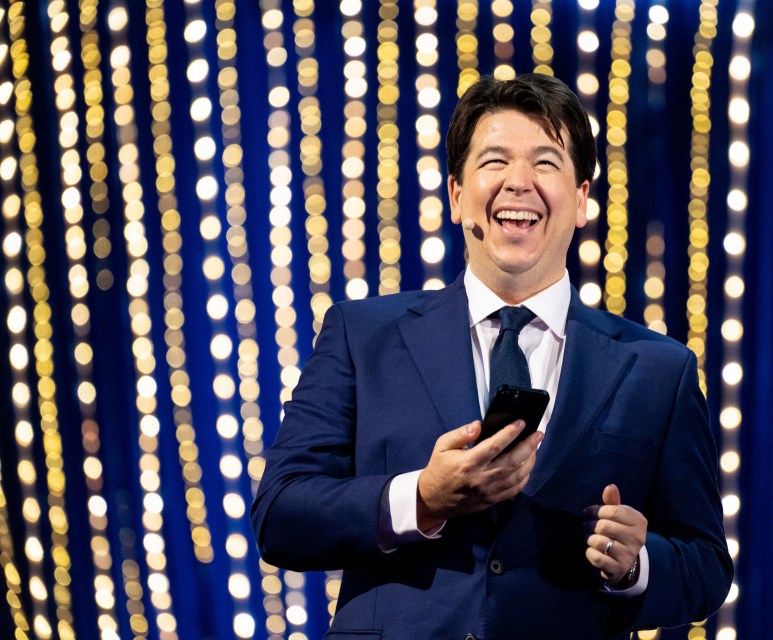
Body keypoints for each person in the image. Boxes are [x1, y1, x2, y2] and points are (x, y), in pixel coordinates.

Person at [251, 73, 732, 639]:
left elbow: (705, 566)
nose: (518, 183)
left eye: (546, 163)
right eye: (494, 161)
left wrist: (635, 564)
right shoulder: (362, 335)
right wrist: (423, 498)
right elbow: (280, 514)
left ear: (581, 201)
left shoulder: (659, 369)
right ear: (457, 197)